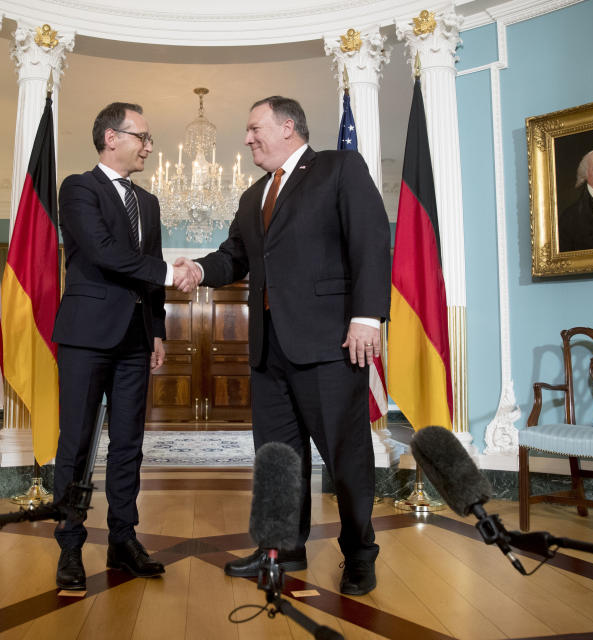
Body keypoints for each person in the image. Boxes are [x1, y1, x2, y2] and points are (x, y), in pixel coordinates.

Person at [175, 96, 391, 595]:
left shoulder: (338, 167)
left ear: (288, 126)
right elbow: (235, 256)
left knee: (345, 455)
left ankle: (360, 553)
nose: (248, 138)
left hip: (330, 343)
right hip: (268, 349)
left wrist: (366, 317)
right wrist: (200, 269)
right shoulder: (254, 196)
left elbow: (370, 239)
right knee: (276, 456)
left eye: (255, 129)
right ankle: (282, 547)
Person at [51, 102, 194, 591]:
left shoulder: (149, 203)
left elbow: (147, 268)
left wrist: (156, 330)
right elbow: (102, 252)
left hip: (135, 340)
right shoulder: (78, 188)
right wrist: (171, 273)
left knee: (129, 444)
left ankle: (122, 540)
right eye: (143, 137)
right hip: (86, 337)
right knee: (77, 444)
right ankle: (70, 546)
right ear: (112, 137)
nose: (149, 147)